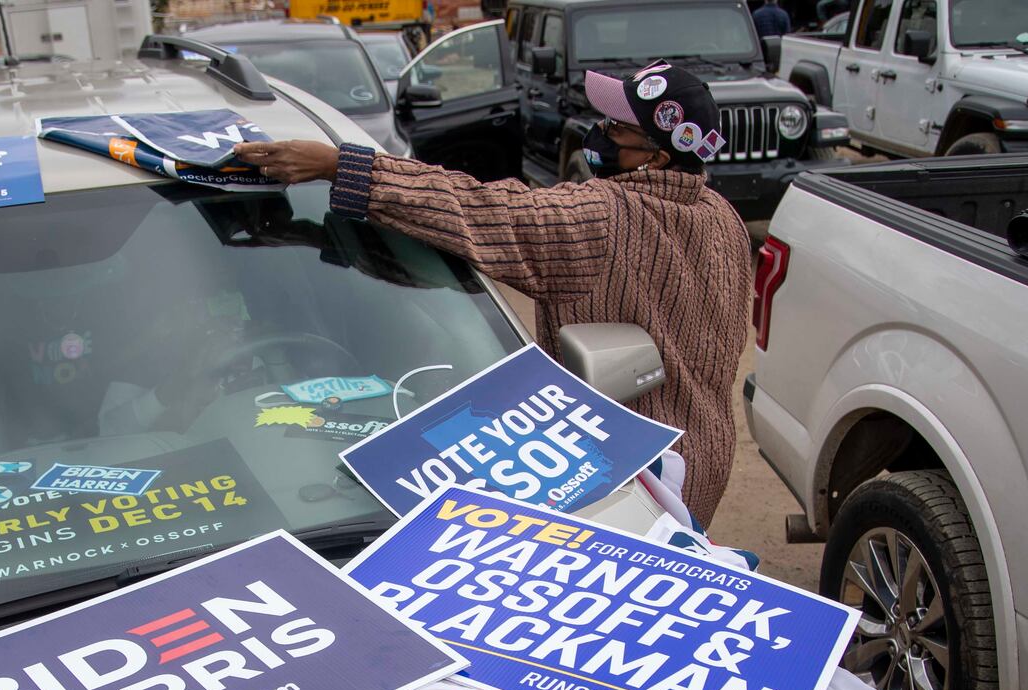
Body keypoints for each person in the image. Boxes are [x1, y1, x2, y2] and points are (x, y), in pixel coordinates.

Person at [233, 63, 750, 527]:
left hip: (630, 473)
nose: (601, 132)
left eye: (617, 127)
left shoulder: (605, 216)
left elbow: (479, 210)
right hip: (703, 454)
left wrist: (340, 168)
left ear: (656, 157)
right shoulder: (722, 215)